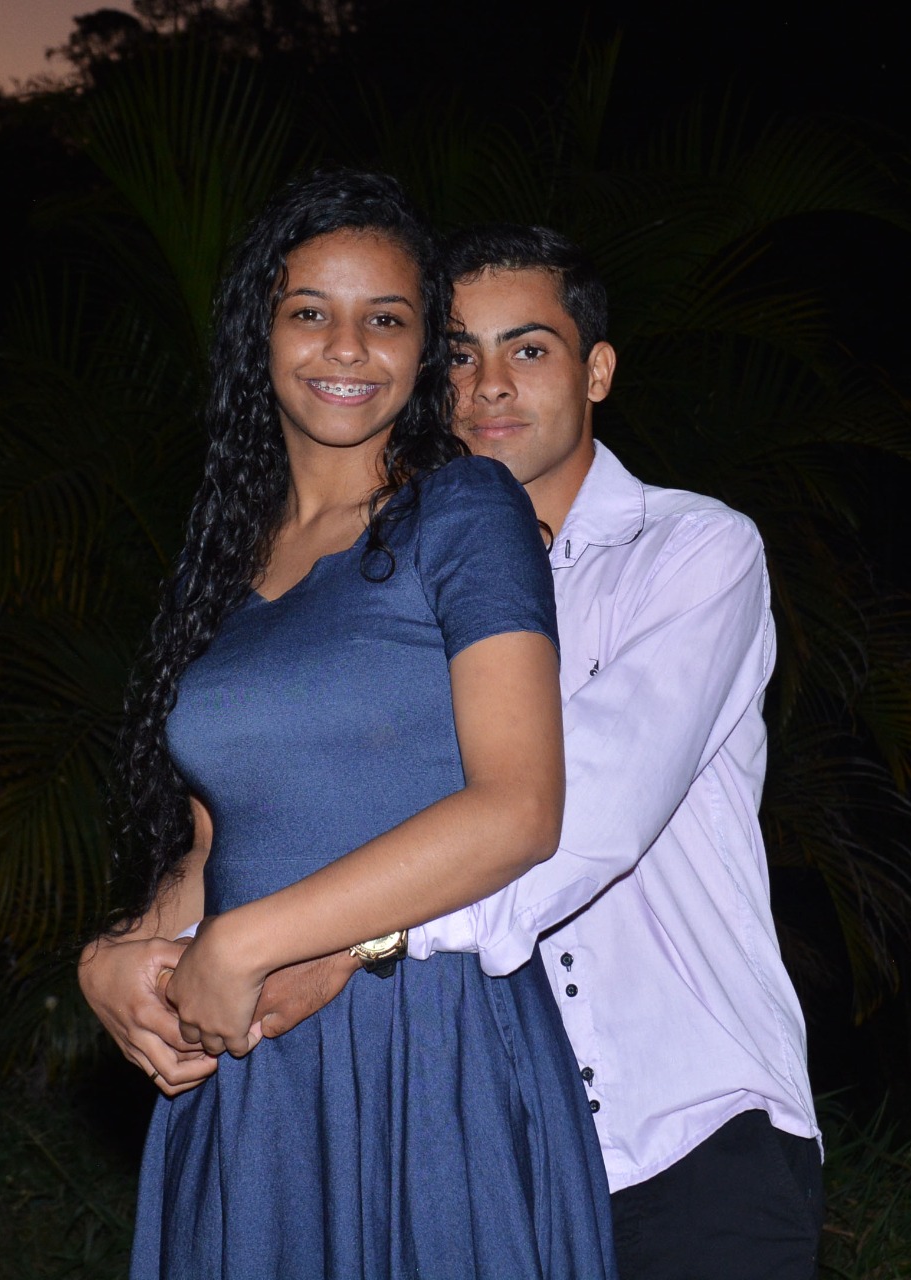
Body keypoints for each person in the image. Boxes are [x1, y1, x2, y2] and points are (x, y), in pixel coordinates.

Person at [83, 218, 824, 1277]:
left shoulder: (690, 550)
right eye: (459, 354)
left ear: (596, 370)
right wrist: (118, 954)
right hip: (453, 1115)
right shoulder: (375, 569)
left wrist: (340, 944)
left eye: (528, 348)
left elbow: (576, 811)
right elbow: (274, 812)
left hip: (680, 1129)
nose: (486, 386)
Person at [82, 175, 617, 1280]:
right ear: (261, 333)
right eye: (309, 311)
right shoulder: (229, 554)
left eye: (385, 318)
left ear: (422, 351)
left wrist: (246, 943)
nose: (346, 347)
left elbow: (519, 809)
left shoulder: (465, 508)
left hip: (422, 1045)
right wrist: (116, 956)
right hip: (249, 1068)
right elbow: (219, 838)